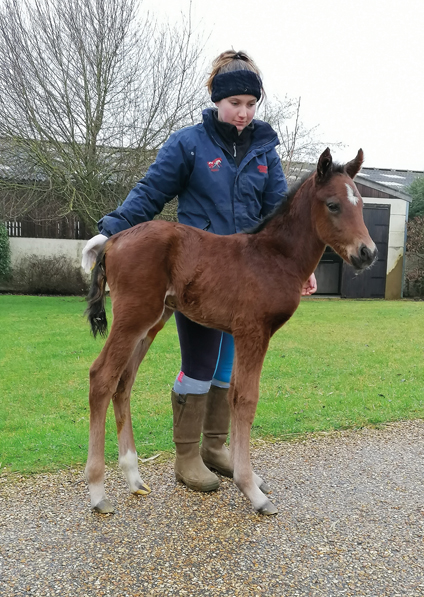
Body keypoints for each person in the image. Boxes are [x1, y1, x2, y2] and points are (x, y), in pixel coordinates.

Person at [82, 50, 317, 493]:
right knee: (201, 363)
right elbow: (152, 191)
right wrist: (110, 231)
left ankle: (215, 447)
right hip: (199, 272)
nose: (244, 113)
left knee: (230, 366)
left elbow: (280, 215)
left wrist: (296, 268)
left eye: (251, 104)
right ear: (216, 100)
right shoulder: (189, 142)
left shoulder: (266, 148)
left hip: (253, 276)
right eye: (235, 104)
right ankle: (187, 454)